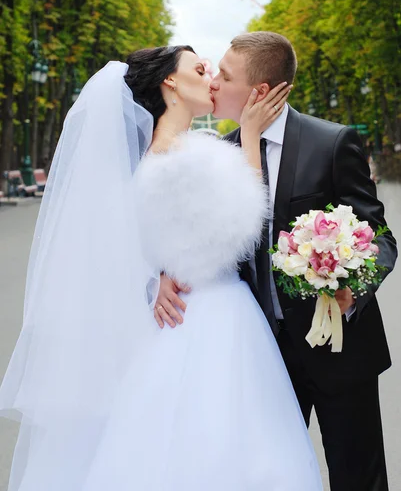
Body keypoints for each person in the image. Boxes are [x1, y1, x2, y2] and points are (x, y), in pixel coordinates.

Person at [0, 48, 323, 490]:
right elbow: (239, 232)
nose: (210, 76)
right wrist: (249, 137)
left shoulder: (156, 154)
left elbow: (130, 240)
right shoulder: (182, 155)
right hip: (211, 315)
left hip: (179, 315)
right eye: (198, 69)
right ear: (170, 83)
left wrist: (156, 275)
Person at [155, 32, 398, 491]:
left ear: (259, 91)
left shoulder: (333, 142)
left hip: (341, 352)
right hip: (262, 353)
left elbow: (380, 237)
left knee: (359, 478)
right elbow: (211, 240)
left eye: (225, 77)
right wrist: (169, 271)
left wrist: (352, 290)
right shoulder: (220, 155)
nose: (214, 84)